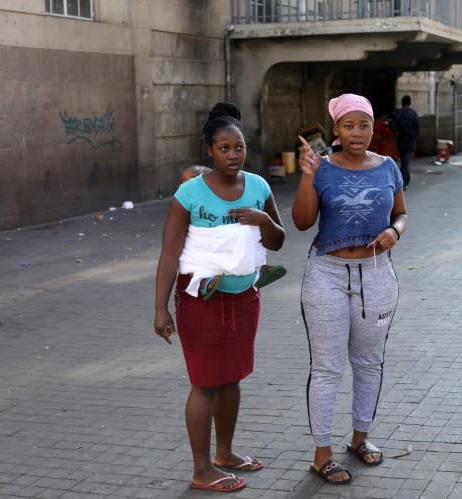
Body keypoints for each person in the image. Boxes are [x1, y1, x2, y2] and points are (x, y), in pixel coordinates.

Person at [153, 103, 286, 493]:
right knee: (205, 383)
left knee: (232, 378)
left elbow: (277, 242)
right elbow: (169, 253)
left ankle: (225, 453)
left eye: (239, 147)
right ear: (209, 150)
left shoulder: (259, 187)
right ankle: (201, 469)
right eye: (224, 148)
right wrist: (160, 308)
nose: (233, 155)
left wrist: (264, 221)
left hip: (244, 297)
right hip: (200, 301)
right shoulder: (189, 193)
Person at [293, 93, 408, 485]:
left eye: (364, 125)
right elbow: (303, 222)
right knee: (327, 367)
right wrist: (308, 176)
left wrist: (395, 231)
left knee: (369, 362)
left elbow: (402, 213)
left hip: (376, 273)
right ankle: (321, 453)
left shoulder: (388, 167)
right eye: (349, 125)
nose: (357, 132)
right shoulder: (322, 168)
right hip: (327, 273)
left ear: (373, 128)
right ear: (337, 130)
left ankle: (361, 438)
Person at [178, 164, 286, 298]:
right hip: (203, 254)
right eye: (188, 182)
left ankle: (260, 269)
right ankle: (204, 282)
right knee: (190, 259)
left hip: (238, 248)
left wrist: (259, 219)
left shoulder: (229, 195)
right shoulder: (184, 203)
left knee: (250, 237)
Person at [391, 95, 419, 189]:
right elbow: (417, 128)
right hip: (409, 141)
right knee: (405, 162)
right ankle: (403, 182)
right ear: (409, 103)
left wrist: (396, 133)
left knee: (403, 161)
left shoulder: (397, 113)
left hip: (400, 140)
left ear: (402, 102)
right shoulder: (413, 113)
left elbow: (392, 127)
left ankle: (405, 180)